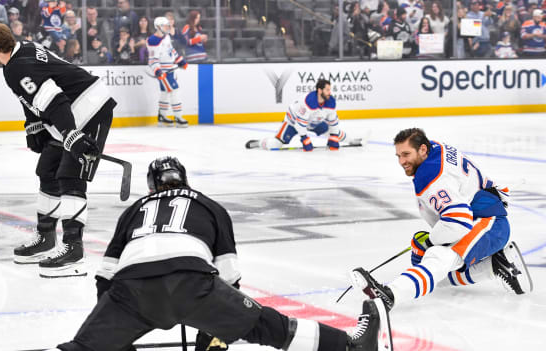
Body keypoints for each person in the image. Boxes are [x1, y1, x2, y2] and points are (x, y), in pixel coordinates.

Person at [50, 156, 392, 351]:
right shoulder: (209, 205)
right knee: (268, 326)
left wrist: (113, 336)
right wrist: (215, 331)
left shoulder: (134, 209)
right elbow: (229, 276)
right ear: (185, 180)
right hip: (192, 284)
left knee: (82, 349)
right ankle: (352, 347)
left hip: (132, 290)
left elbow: (105, 276)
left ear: (151, 187)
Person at [0, 23, 117, 277]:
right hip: (70, 111)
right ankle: (46, 238)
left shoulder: (16, 67)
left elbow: (54, 99)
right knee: (48, 169)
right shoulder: (22, 53)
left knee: (69, 175)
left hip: (90, 109)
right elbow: (30, 97)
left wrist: (71, 135)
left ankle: (74, 250)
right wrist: (33, 124)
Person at [350, 128, 533, 313]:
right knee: (433, 270)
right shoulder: (435, 147)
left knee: (439, 257)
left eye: (406, 154)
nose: (402, 161)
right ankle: (493, 265)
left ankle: (391, 295)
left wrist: (431, 241)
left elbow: (458, 220)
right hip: (480, 216)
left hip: (489, 223)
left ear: (422, 149)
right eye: (398, 155)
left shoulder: (431, 177)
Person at [246, 79, 362, 151]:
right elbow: (299, 124)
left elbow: (333, 122)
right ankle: (259, 142)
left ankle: (353, 141)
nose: (330, 93)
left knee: (333, 133)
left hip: (313, 122)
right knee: (275, 144)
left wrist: (333, 138)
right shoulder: (308, 102)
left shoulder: (330, 102)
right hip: (293, 122)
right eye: (327, 90)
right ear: (320, 91)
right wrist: (305, 139)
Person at [149, 17, 189, 127]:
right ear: (158, 27)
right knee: (174, 91)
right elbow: (152, 60)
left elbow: (171, 51)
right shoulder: (153, 40)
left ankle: (162, 117)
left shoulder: (166, 37)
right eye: (165, 26)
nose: (168, 27)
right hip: (164, 72)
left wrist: (180, 61)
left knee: (165, 93)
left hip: (170, 69)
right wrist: (158, 71)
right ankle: (179, 117)